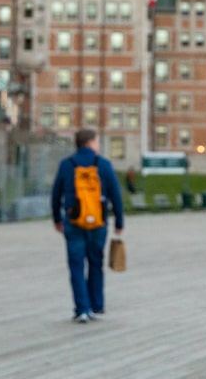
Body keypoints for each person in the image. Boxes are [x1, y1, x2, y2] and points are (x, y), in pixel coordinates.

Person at [51, 129, 124, 323]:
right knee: (95, 263)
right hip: (98, 222)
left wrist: (57, 218)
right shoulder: (104, 165)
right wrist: (119, 222)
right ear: (91, 143)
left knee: (76, 265)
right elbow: (116, 195)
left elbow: (56, 194)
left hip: (73, 221)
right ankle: (96, 305)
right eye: (97, 141)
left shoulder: (67, 165)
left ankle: (81, 309)